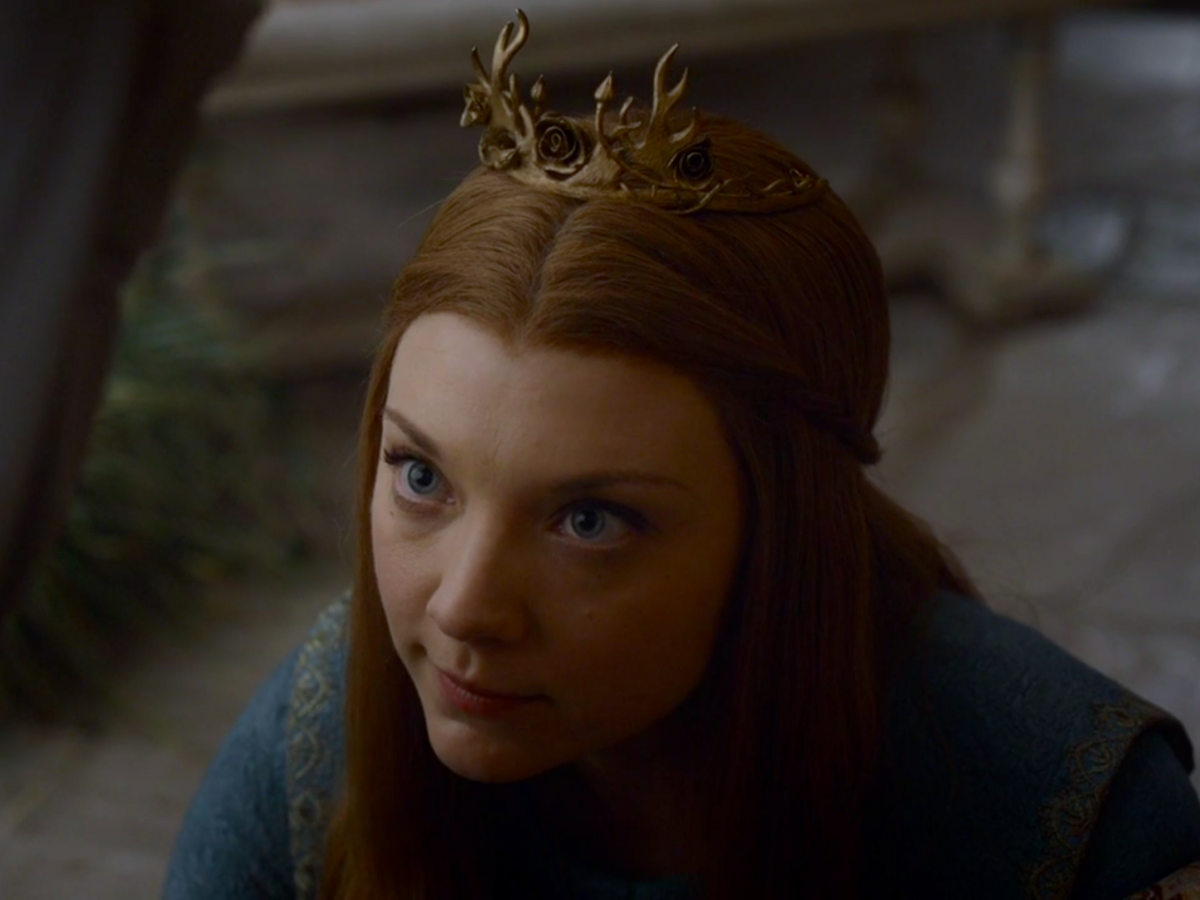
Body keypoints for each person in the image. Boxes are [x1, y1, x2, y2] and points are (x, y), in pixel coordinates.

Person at [164, 12, 1200, 899]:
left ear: (783, 531)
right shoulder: (329, 735)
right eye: (422, 477)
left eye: (589, 521)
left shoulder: (1070, 821)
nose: (465, 609)